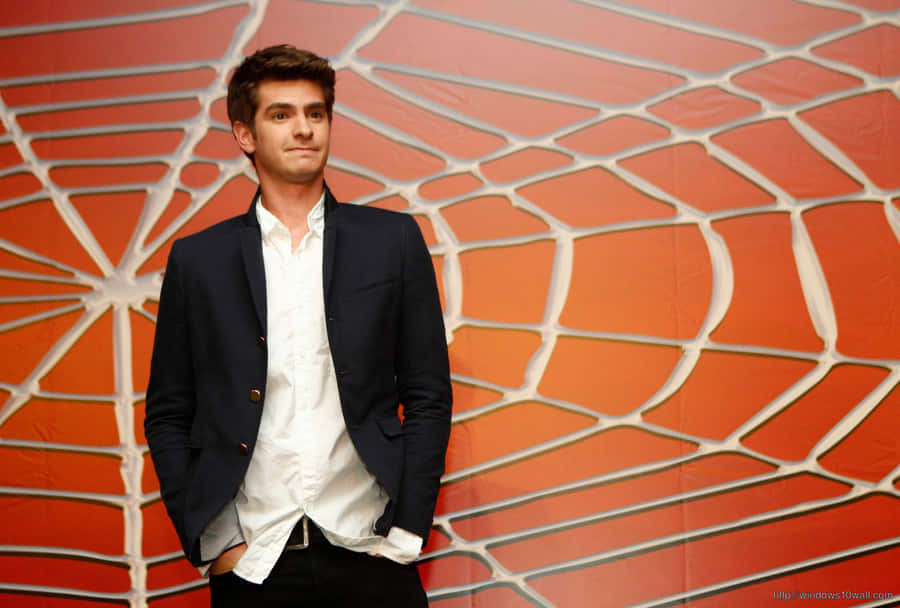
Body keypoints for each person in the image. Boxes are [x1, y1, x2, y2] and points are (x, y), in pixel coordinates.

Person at [144, 44, 452, 606]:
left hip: (371, 549)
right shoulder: (198, 261)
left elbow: (428, 394)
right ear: (245, 134)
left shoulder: (392, 242)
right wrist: (214, 541)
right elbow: (168, 412)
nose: (303, 129)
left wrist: (408, 529)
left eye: (316, 113)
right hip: (254, 563)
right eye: (281, 115)